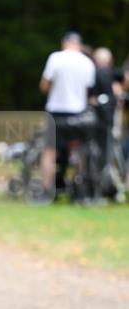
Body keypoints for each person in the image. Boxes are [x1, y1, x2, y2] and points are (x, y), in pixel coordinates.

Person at [39, 31, 96, 196]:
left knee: (49, 151)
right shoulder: (87, 62)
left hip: (56, 111)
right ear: (79, 44)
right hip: (79, 113)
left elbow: (44, 85)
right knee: (79, 150)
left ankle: (46, 190)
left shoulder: (56, 58)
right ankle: (80, 190)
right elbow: (89, 91)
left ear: (64, 42)